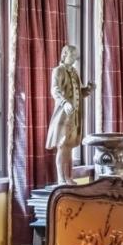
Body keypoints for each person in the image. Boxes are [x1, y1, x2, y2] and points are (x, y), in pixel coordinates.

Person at [45, 44, 93, 183]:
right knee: (62, 145)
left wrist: (88, 89)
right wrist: (64, 103)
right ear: (65, 55)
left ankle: (68, 176)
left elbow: (79, 92)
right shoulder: (58, 71)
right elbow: (55, 90)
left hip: (75, 116)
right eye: (72, 56)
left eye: (75, 56)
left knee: (69, 146)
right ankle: (61, 177)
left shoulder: (74, 72)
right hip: (63, 115)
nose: (74, 59)